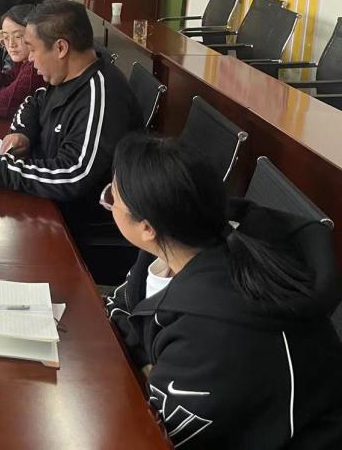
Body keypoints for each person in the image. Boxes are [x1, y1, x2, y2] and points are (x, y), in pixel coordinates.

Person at [104, 134, 342, 449]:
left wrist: (154, 366)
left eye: (112, 199)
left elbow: (157, 434)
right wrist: (149, 363)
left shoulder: (216, 332)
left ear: (147, 227)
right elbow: (121, 309)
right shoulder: (174, 243)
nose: (108, 204)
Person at [0, 0, 141, 234]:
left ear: (61, 48)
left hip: (71, 222)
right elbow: (34, 100)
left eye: (33, 49)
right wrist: (22, 132)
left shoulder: (101, 95)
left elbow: (73, 176)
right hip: (46, 200)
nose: (30, 58)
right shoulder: (66, 75)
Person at [0, 3, 46, 119]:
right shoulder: (23, 61)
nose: (11, 44)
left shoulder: (35, 68)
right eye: (6, 37)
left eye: (18, 36)